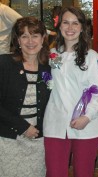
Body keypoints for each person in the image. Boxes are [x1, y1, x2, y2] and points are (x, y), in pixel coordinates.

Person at [43, 7, 98, 177]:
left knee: (84, 173)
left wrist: (87, 116)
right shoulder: (49, 55)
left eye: (75, 23)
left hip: (86, 125)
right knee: (55, 173)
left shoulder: (91, 56)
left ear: (82, 27)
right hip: (56, 124)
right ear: (59, 26)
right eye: (66, 22)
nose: (70, 27)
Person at [0, 16, 50, 176]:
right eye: (24, 36)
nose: (30, 41)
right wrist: (23, 127)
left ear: (43, 39)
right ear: (18, 41)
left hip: (37, 142)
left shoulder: (48, 69)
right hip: (8, 140)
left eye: (35, 35)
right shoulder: (4, 63)